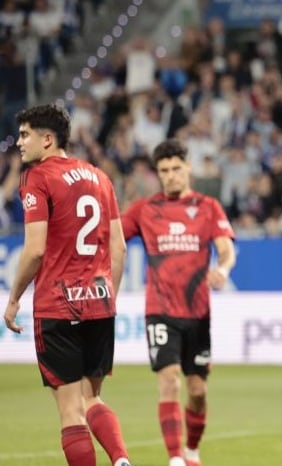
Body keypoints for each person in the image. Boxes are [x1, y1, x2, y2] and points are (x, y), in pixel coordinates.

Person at [3, 104, 133, 466]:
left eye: (26, 134)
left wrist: (13, 299)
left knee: (70, 413)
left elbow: (35, 250)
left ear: (48, 139)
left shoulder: (37, 177)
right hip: (98, 303)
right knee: (92, 400)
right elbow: (119, 247)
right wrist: (109, 297)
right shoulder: (99, 177)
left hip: (58, 306)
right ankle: (121, 459)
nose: (20, 142)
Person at [121, 139, 236, 466]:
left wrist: (223, 269)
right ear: (158, 174)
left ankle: (192, 451)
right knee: (169, 380)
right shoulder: (144, 209)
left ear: (188, 168)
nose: (170, 176)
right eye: (163, 171)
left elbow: (225, 247)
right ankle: (175, 459)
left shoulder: (208, 206)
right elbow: (112, 234)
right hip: (159, 311)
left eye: (175, 169)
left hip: (197, 313)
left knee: (198, 391)